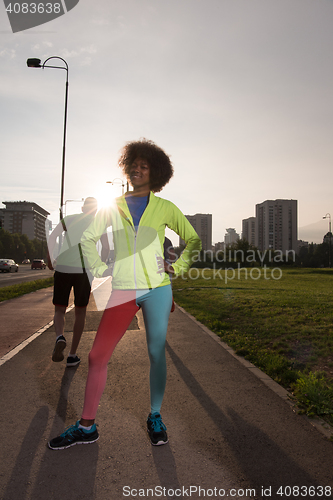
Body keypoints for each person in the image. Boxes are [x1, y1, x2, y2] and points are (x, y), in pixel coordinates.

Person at [48, 139, 201, 449]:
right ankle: (87, 427)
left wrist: (178, 266)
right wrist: (99, 267)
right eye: (134, 164)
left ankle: (155, 415)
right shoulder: (113, 207)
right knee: (96, 355)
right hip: (123, 290)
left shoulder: (165, 208)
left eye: (145, 166)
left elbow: (194, 240)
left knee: (157, 353)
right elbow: (88, 240)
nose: (137, 169)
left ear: (155, 173)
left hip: (157, 289)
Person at [47, 197, 109, 367]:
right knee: (80, 312)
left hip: (63, 267)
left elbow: (52, 237)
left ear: (82, 208)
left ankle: (60, 336)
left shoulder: (69, 219)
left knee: (59, 309)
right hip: (84, 270)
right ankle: (72, 355)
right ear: (96, 210)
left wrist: (50, 258)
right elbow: (105, 248)